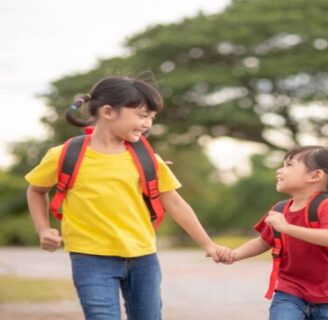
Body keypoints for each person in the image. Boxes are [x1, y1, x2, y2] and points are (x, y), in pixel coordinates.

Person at [25, 75, 230, 320]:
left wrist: (208, 244)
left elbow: (174, 202)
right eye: (143, 116)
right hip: (91, 258)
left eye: (152, 118)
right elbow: (36, 190)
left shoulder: (147, 159)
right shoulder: (64, 155)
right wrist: (43, 229)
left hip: (143, 257)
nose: (148, 124)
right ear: (108, 111)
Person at [224, 145, 328, 320]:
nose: (279, 171)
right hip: (290, 289)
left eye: (288, 165)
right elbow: (263, 241)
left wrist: (287, 228)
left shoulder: (327, 205)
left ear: (315, 175)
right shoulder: (280, 209)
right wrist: (234, 254)